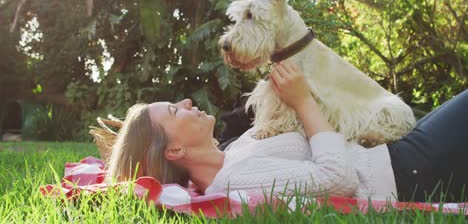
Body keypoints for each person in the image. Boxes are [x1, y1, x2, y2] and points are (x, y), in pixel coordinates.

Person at [106, 61, 468, 202]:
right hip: (409, 171)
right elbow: (336, 178)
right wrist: (303, 101)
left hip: (399, 154)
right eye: (173, 110)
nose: (186, 102)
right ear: (174, 151)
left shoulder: (234, 151)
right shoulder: (233, 179)